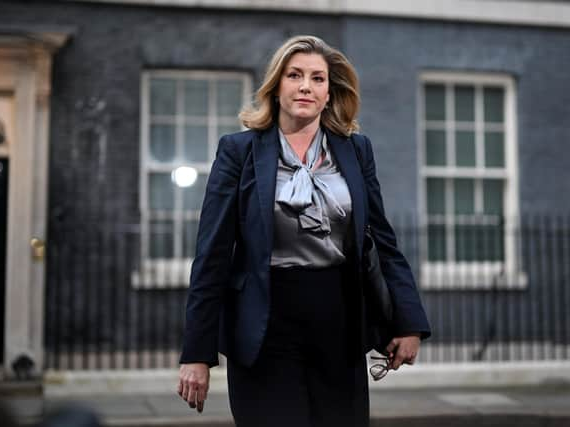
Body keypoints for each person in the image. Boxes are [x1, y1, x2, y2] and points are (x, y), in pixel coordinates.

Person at [177, 35, 431, 427]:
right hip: (264, 325)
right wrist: (197, 353)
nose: (305, 87)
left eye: (317, 78)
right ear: (276, 87)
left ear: (329, 93)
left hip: (339, 323)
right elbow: (211, 254)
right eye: (294, 75)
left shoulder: (355, 150)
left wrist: (407, 322)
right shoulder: (238, 151)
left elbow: (382, 240)